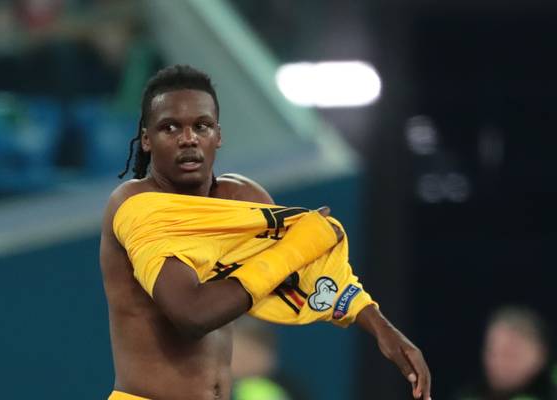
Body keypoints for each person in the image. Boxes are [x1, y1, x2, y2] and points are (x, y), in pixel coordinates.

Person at [99, 64, 432, 400]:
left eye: (201, 126)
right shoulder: (134, 205)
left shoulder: (241, 199)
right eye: (170, 127)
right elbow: (192, 313)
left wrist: (381, 327)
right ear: (146, 140)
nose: (188, 138)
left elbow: (304, 274)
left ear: (218, 135)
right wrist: (297, 247)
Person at [456, 306, 557, 400]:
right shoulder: (469, 395)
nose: (498, 363)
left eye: (510, 355)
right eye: (493, 353)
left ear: (540, 355)